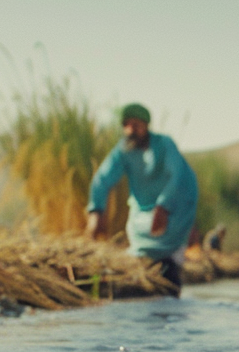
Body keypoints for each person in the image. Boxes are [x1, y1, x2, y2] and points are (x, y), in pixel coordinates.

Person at [86, 103, 200, 294]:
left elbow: (177, 175)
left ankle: (170, 278)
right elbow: (102, 179)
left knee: (168, 262)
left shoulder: (165, 144)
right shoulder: (123, 150)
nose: (131, 130)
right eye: (127, 125)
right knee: (141, 251)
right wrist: (96, 210)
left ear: (146, 125)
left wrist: (164, 207)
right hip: (144, 206)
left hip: (177, 202)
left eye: (136, 125)